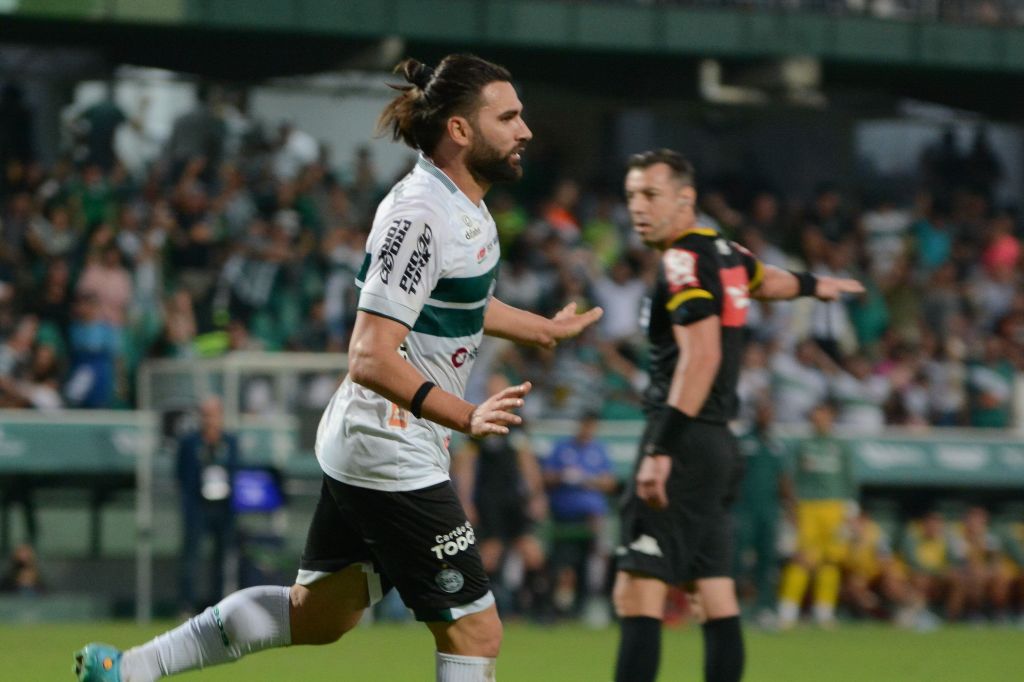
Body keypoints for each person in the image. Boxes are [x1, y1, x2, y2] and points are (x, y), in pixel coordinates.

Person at [75, 53, 601, 682]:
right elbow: (370, 353)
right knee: (475, 629)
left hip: (380, 439)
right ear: (460, 130)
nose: (526, 130)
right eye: (509, 116)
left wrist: (540, 327)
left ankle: (129, 669)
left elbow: (458, 301)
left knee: (318, 617)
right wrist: (465, 414)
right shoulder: (421, 216)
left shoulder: (463, 208)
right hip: (389, 444)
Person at [611, 149, 863, 682]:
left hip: (681, 438)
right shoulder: (723, 251)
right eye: (632, 195)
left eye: (651, 195)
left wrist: (659, 450)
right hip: (719, 442)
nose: (638, 207)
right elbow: (765, 279)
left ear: (686, 199)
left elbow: (700, 358)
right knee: (716, 593)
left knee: (638, 590)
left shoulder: (681, 259)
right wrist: (817, 285)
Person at [451, 373, 548, 619]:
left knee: (531, 552)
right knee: (490, 554)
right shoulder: (479, 419)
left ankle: (536, 608)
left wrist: (537, 495)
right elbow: (466, 465)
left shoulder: (517, 423)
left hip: (514, 498)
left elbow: (527, 462)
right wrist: (466, 500)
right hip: (488, 498)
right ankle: (481, 606)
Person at [776, 401, 858, 630]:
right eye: (816, 415)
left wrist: (851, 510)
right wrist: (791, 508)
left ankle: (824, 613)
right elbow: (789, 479)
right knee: (802, 559)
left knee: (830, 561)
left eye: (824, 415)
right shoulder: (802, 445)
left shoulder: (841, 446)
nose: (820, 419)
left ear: (831, 417)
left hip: (835, 507)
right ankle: (787, 612)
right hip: (808, 507)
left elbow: (849, 478)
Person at [542, 410, 617, 619]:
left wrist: (586, 479)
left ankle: (582, 608)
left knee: (587, 563)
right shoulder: (562, 447)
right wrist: (563, 476)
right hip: (563, 517)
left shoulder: (599, 450)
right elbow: (546, 476)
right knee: (560, 562)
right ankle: (555, 608)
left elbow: (610, 482)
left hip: (590, 518)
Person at [175, 395, 241, 614]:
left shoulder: (230, 442)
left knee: (222, 559)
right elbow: (181, 474)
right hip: (197, 506)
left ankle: (217, 607)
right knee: (191, 558)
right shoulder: (190, 442)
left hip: (223, 508)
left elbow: (235, 472)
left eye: (213, 414)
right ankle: (187, 606)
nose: (209, 420)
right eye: (205, 415)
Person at [732, 397, 791, 628]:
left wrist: (790, 508)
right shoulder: (742, 441)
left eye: (770, 412)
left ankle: (765, 608)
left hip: (768, 511)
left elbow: (784, 479)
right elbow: (730, 473)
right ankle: (734, 607)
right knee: (736, 559)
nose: (767, 417)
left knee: (767, 561)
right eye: (763, 412)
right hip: (743, 509)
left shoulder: (776, 445)